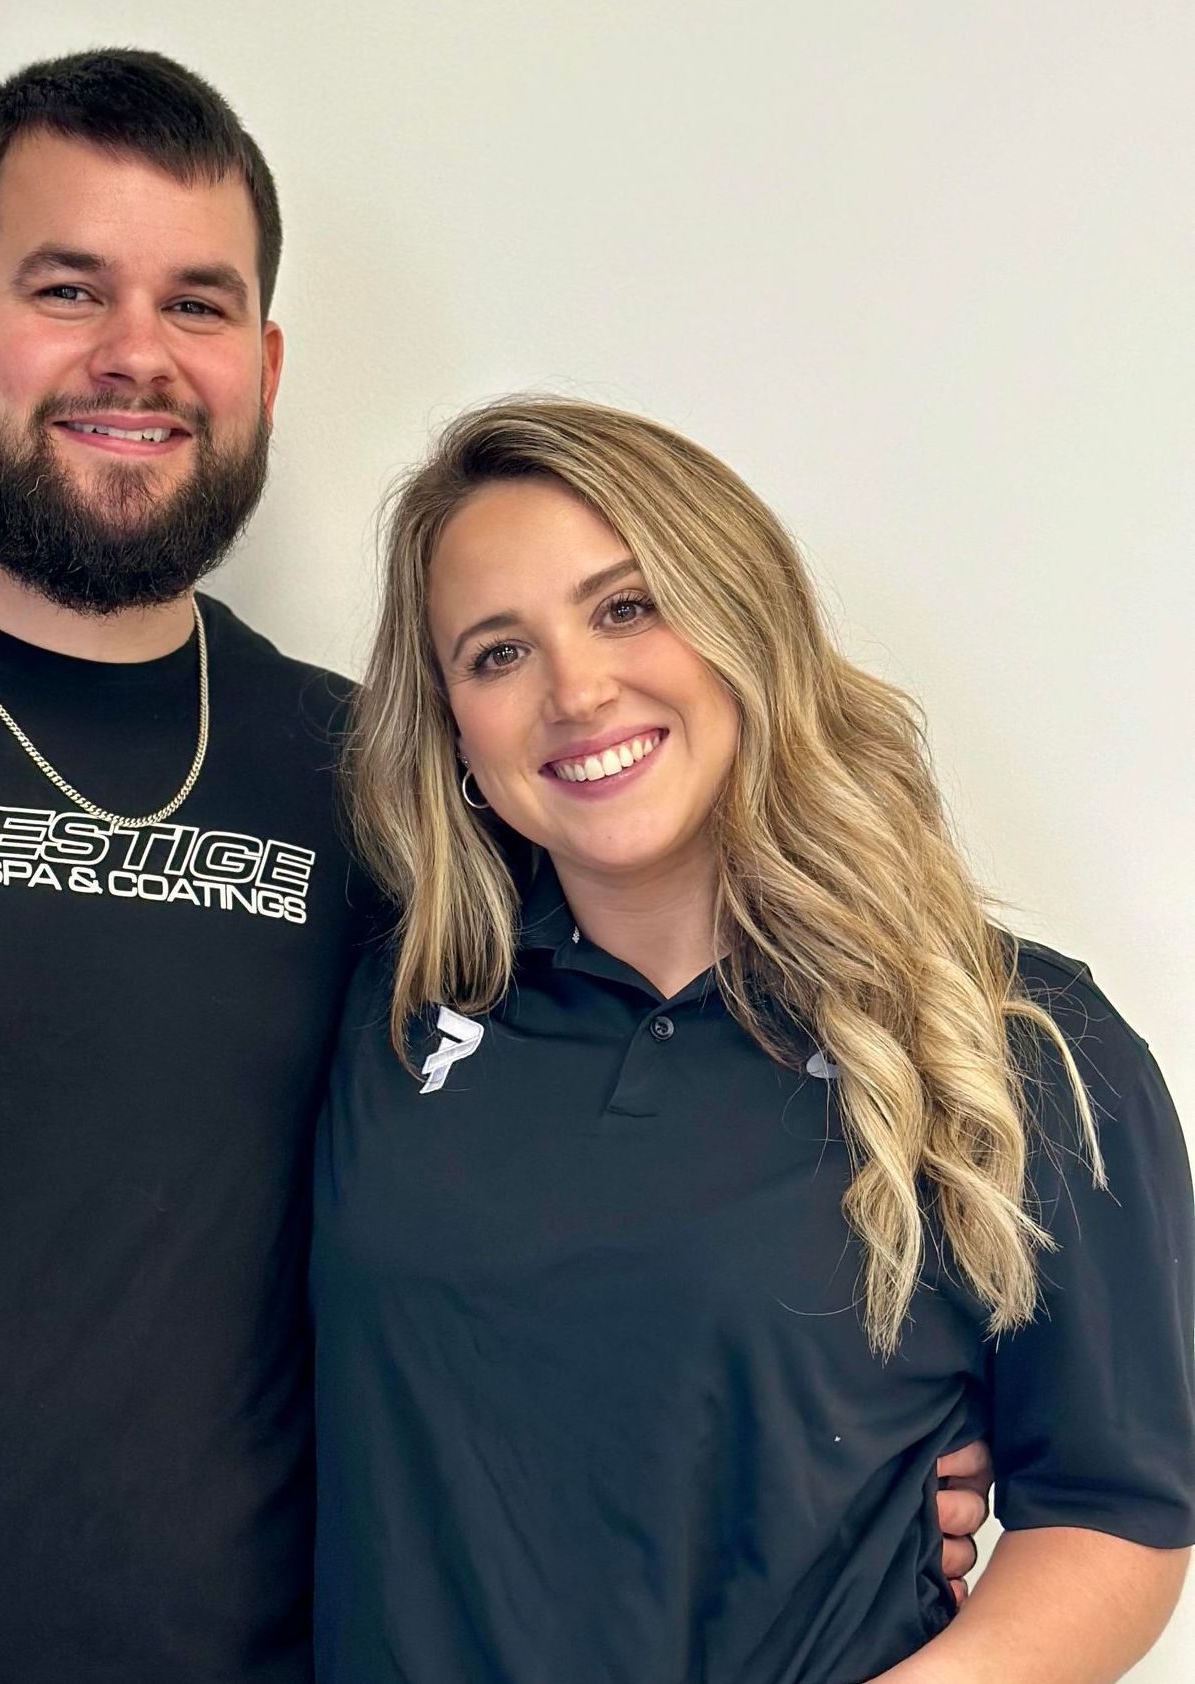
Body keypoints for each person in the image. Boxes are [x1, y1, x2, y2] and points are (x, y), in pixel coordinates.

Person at [0, 48, 989, 1684]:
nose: (138, 354)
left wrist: (870, 1439)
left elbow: (645, 1121)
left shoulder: (394, 784)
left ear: (260, 361)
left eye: (196, 304)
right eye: (68, 287)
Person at [313, 396, 1195, 1682]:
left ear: (746, 628)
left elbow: (1115, 1512)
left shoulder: (1017, 1047)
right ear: (453, 729)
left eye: (626, 606)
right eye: (498, 652)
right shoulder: (381, 1014)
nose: (577, 688)